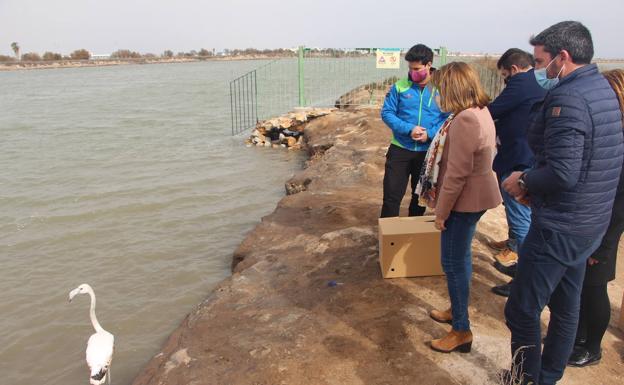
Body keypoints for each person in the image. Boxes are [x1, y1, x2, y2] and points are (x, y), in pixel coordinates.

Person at [502, 21, 624, 385]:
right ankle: (549, 376)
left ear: (563, 58)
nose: (538, 71)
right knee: (566, 303)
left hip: (561, 225)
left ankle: (527, 379)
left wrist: (522, 180)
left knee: (521, 309)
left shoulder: (568, 98)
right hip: (588, 221)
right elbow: (588, 163)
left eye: (540, 62)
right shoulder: (601, 89)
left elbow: (565, 171)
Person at [416, 62, 502, 353]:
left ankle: (461, 330)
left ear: (451, 88)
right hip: (477, 194)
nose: (437, 95)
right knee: (460, 258)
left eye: (440, 89)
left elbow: (456, 173)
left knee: (452, 262)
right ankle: (456, 310)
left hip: (466, 200)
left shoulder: (465, 119)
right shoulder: (480, 110)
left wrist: (441, 212)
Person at [568, 68, 624, 367]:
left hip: (604, 231)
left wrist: (603, 244)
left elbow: (620, 204)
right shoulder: (610, 133)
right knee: (581, 287)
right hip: (591, 224)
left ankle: (593, 347)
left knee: (594, 288)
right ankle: (577, 337)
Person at [487, 49, 547, 297]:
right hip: (531, 158)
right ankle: (525, 269)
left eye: (504, 75)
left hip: (518, 161)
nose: (505, 80)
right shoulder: (541, 84)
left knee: (522, 220)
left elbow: (492, 111)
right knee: (526, 218)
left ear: (513, 69)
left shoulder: (521, 82)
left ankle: (523, 280)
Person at [380, 44, 448, 218]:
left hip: (427, 151)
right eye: (410, 68)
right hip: (400, 148)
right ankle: (389, 239)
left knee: (419, 198)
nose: (412, 72)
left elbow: (448, 117)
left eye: (416, 68)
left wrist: (430, 134)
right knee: (391, 196)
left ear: (429, 64)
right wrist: (408, 129)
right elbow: (387, 113)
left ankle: (413, 238)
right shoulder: (400, 87)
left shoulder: (441, 88)